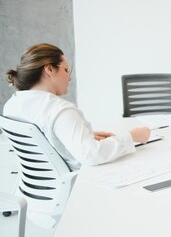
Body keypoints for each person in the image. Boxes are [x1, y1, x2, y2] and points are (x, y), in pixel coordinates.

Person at [4, 43, 150, 171]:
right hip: (78, 184)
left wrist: (77, 137)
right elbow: (91, 155)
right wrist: (131, 137)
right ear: (49, 69)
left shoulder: (13, 104)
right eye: (66, 70)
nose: (69, 78)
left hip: (38, 188)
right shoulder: (60, 110)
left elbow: (45, 145)